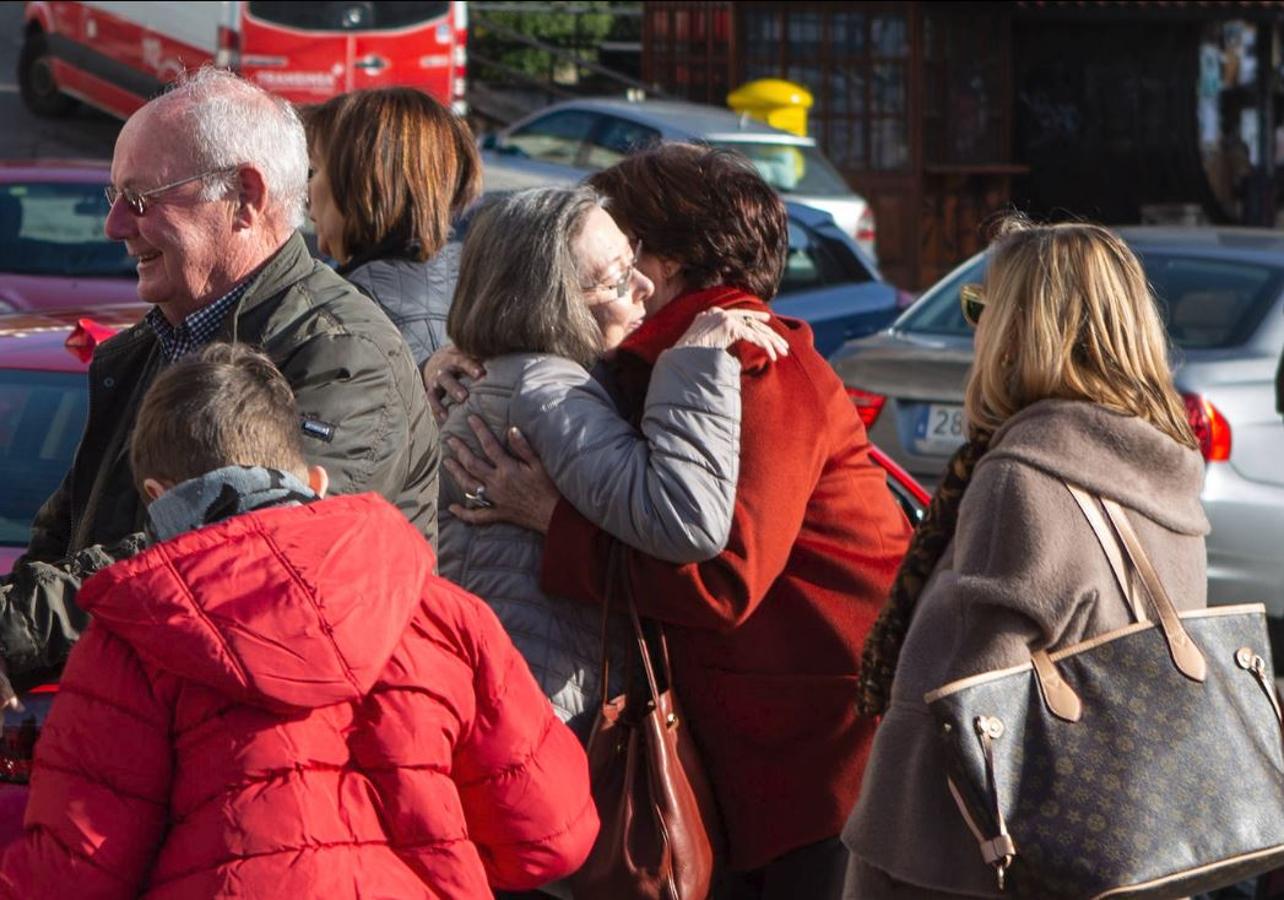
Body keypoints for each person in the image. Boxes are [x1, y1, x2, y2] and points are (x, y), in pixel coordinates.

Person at [437, 143, 913, 899]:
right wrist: (473, 352)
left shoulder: (743, 356)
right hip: (760, 732)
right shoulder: (651, 356)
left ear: (660, 259)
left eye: (620, 249)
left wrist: (549, 519)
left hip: (816, 743)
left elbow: (721, 576)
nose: (609, 269)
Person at [0, 343, 597, 899]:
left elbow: (75, 876)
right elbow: (551, 835)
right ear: (314, 481)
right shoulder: (446, 616)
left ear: (159, 499)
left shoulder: (133, 640)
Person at [0, 67, 439, 685]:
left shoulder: (342, 355)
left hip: (279, 756)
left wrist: (20, 630)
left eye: (143, 199)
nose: (115, 226)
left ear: (245, 197)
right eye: (114, 197)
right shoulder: (149, 347)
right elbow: (67, 536)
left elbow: (235, 553)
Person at [842, 217, 1208, 898]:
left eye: (981, 307)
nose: (973, 327)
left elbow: (978, 702)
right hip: (1123, 845)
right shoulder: (1161, 465)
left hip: (965, 865)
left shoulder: (1025, 476)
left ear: (1019, 328)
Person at [437, 185, 788, 739]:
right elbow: (687, 518)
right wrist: (697, 360)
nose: (645, 287)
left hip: (515, 702)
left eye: (635, 259)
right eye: (618, 279)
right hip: (537, 721)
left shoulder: (530, 377)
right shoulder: (547, 392)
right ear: (552, 300)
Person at [304, 87, 481, 372]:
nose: (306, 191)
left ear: (363, 183)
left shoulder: (355, 313)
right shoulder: (462, 279)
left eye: (315, 170)